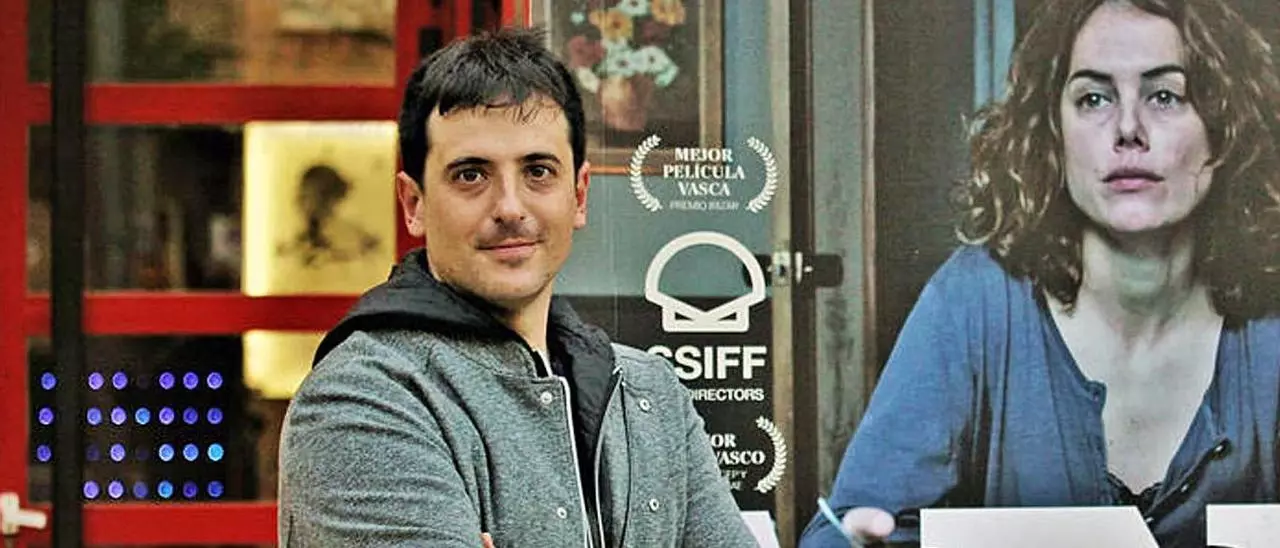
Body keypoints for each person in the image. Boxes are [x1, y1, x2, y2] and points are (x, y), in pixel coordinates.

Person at [801, 0, 1280, 546]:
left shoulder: (1270, 317)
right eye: (1093, 98)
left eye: (1165, 96)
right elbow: (839, 535)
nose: (1128, 129)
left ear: (1225, 126)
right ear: (1052, 133)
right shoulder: (976, 300)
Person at [277, 28, 755, 547]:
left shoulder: (649, 394)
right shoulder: (363, 400)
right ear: (414, 204)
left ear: (579, 195)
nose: (509, 207)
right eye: (470, 175)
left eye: (538, 171)